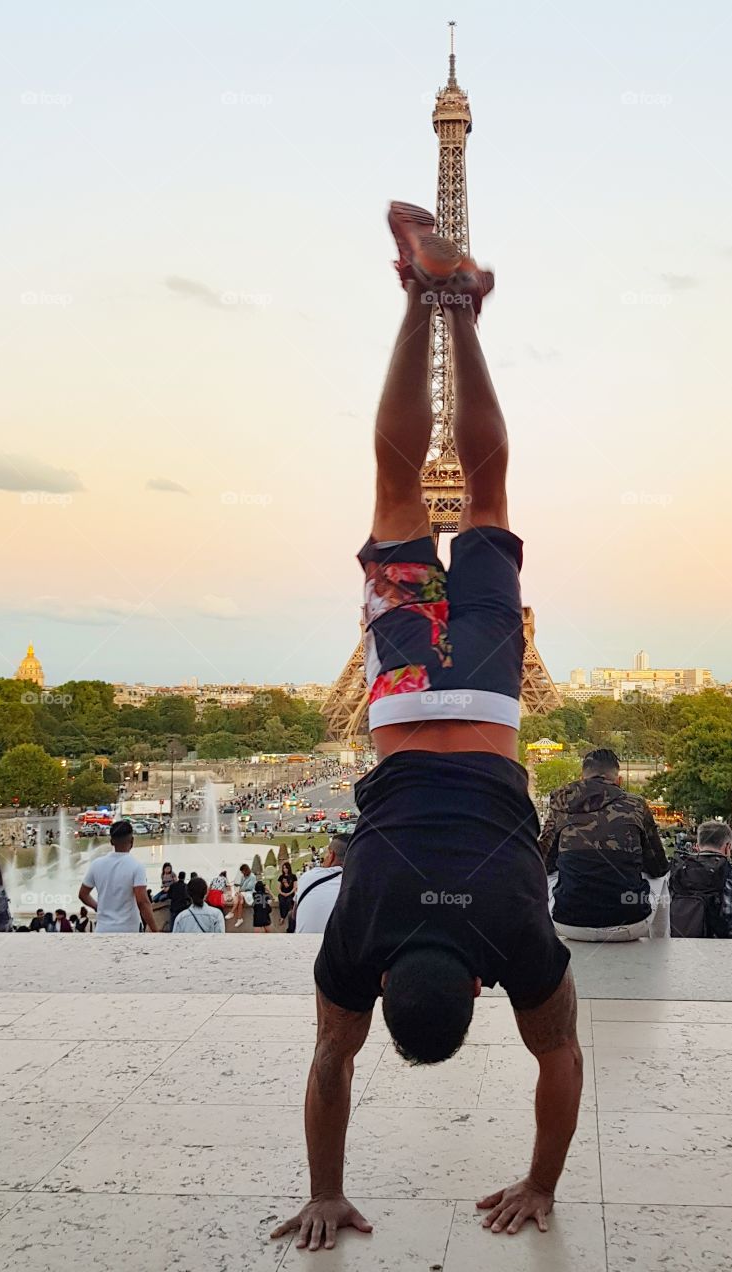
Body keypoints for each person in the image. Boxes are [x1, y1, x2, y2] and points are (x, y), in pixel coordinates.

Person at [272, 204, 580, 1253]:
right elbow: (328, 1062)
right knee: (401, 488)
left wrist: (541, 1179)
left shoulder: (516, 938)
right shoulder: (362, 935)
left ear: (481, 987)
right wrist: (323, 1189)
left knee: (486, 492)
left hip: (489, 705)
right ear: (394, 982)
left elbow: (561, 1061)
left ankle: (459, 304)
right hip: (405, 701)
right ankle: (424, 297)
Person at [538, 749, 669, 941]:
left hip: (569, 922)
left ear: (582, 778)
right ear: (619, 781)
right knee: (662, 880)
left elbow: (542, 862)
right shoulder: (636, 804)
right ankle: (661, 948)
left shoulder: (561, 804)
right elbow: (658, 867)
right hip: (631, 923)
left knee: (549, 874)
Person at [78, 820, 157, 934]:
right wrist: (155, 930)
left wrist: (98, 907)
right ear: (132, 841)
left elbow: (83, 894)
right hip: (129, 930)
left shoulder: (96, 864)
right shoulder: (136, 866)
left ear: (111, 842)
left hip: (103, 929)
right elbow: (142, 902)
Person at [290, 835, 347, 935]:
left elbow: (294, 915)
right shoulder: (362, 884)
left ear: (331, 855)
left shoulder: (308, 876)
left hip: (304, 944)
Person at [229, 863, 257, 928]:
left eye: (242, 871)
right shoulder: (243, 876)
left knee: (240, 897)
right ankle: (239, 918)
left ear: (245, 870)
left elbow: (250, 887)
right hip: (243, 892)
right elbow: (241, 885)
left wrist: (241, 891)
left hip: (249, 892)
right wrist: (239, 890)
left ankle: (232, 912)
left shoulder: (253, 877)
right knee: (238, 897)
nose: (242, 873)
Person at [276, 860, 297, 928]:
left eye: (286, 868)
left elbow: (295, 887)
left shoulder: (293, 876)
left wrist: (288, 893)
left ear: (289, 868)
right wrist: (282, 893)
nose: (285, 869)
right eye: (283, 868)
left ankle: (282, 918)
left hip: (290, 893)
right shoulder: (281, 877)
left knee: (288, 902)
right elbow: (278, 888)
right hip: (282, 893)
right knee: (281, 902)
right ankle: (283, 917)